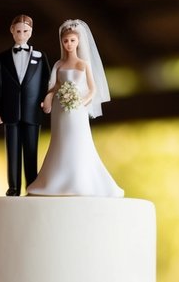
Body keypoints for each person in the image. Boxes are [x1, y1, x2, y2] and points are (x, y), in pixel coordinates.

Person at [26, 19, 123, 198]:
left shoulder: (83, 65)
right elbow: (54, 87)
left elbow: (93, 89)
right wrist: (49, 97)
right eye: (66, 41)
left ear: (78, 42)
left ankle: (80, 181)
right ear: (62, 42)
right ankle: (55, 180)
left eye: (72, 40)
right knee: (60, 140)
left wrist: (82, 100)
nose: (69, 44)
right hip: (60, 109)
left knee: (78, 140)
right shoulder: (58, 65)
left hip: (77, 109)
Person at [0, 14, 51, 196]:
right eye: (18, 31)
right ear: (12, 31)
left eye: (25, 31)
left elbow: (47, 81)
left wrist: (48, 100)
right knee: (12, 151)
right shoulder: (1, 58)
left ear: (30, 32)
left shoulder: (40, 57)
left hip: (33, 111)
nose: (21, 34)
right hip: (9, 112)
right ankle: (13, 187)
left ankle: (31, 186)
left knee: (32, 150)